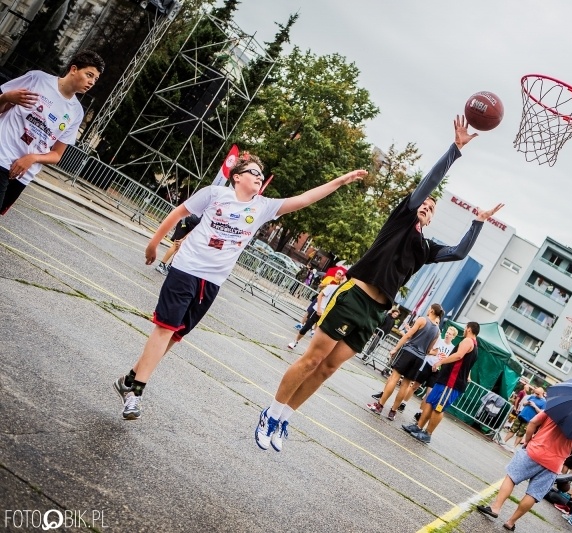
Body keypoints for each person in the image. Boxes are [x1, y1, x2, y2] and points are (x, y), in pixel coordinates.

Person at [255, 116, 503, 453]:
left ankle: (285, 418)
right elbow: (427, 186)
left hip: (375, 310)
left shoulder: (426, 249)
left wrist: (477, 222)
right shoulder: (401, 220)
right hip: (355, 295)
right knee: (313, 359)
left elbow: (458, 251)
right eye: (424, 202)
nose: (426, 206)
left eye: (430, 208)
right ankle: (270, 412)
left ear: (430, 219)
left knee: (328, 369)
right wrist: (455, 150)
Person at [112, 154, 366, 420]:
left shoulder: (263, 207)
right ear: (237, 177)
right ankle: (135, 394)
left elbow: (305, 199)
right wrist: (154, 243)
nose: (259, 177)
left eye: (261, 174)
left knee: (175, 335)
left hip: (212, 282)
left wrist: (339, 181)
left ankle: (130, 379)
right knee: (165, 329)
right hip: (186, 269)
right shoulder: (214, 194)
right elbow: (179, 212)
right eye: (254, 172)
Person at [0, 50, 105, 214]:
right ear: (74, 69)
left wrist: (32, 158)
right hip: (2, 156)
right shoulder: (38, 79)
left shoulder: (76, 112)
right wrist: (5, 98)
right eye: (89, 75)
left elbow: (56, 155)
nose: (92, 82)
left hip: (24, 174)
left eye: (95, 79)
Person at [476, 409, 572, 531]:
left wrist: (528, 440)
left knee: (511, 478)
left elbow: (533, 422)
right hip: (553, 465)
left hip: (534, 451)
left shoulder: (555, 409)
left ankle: (495, 508)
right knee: (533, 494)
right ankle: (510, 522)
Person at [401, 321, 481, 444]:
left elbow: (458, 356)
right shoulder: (474, 345)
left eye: (465, 328)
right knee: (430, 401)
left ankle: (428, 434)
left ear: (469, 329)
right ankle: (418, 426)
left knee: (439, 408)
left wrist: (440, 362)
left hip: (452, 382)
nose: (464, 330)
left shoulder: (468, 341)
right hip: (446, 378)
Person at [367, 304, 444, 421]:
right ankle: (393, 412)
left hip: (408, 352)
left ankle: (379, 406)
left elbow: (408, 335)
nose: (428, 310)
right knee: (406, 385)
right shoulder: (437, 331)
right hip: (420, 358)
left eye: (429, 309)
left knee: (394, 378)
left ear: (432, 310)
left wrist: (395, 348)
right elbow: (429, 350)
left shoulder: (422, 320)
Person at [287, 269, 344, 349]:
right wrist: (319, 308)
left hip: (327, 314)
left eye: (343, 279)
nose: (342, 280)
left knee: (320, 335)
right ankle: (295, 341)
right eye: (342, 279)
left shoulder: (343, 293)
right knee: (306, 327)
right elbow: (320, 296)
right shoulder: (331, 287)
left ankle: (310, 350)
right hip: (319, 309)